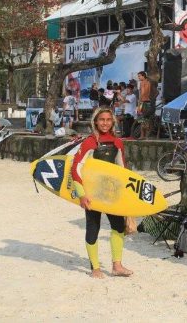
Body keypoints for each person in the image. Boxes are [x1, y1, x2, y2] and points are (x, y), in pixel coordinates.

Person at [71, 107, 133, 278]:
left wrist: (126, 195)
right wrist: (81, 194)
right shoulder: (90, 142)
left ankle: (117, 265)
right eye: (102, 120)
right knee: (93, 228)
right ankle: (95, 268)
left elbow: (123, 170)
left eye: (108, 120)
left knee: (118, 227)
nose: (105, 123)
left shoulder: (117, 142)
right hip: (92, 193)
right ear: (96, 122)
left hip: (111, 192)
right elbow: (76, 169)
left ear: (113, 122)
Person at [136, 71, 154, 139]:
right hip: (148, 102)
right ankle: (146, 136)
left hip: (143, 102)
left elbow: (142, 93)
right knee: (146, 119)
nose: (139, 77)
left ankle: (142, 135)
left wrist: (139, 103)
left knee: (141, 119)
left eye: (139, 76)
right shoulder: (148, 82)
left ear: (143, 76)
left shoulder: (142, 82)